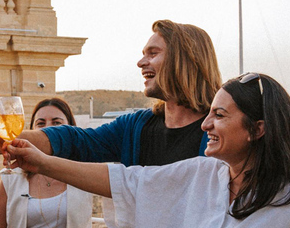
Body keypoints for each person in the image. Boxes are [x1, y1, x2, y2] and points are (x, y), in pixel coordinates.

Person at [4, 74, 290, 227]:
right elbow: (126, 181)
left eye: (219, 115)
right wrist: (42, 162)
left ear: (258, 128)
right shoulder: (203, 175)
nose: (206, 125)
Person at [12, 20, 222, 166]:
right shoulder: (134, 127)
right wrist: (8, 139)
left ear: (184, 60)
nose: (140, 63)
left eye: (153, 53)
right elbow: (77, 140)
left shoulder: (221, 130)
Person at [0, 98, 92, 228]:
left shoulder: (84, 173)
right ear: (31, 129)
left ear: (70, 129)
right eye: (41, 124)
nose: (48, 129)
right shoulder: (12, 177)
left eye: (56, 123)